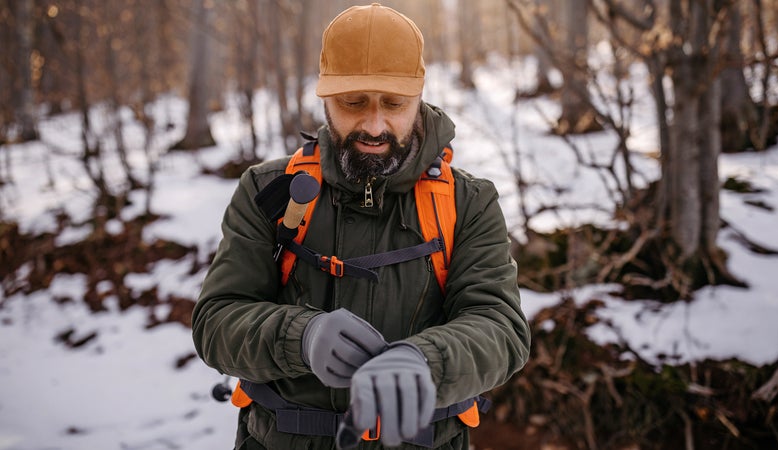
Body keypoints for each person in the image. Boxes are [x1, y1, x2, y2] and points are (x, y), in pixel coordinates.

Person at [192, 3, 531, 449]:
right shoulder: (269, 191)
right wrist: (302, 337)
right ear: (325, 97)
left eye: (394, 104)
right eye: (353, 103)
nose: (374, 125)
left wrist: (424, 362)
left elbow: (501, 327)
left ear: (420, 97)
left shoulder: (467, 202)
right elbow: (216, 322)